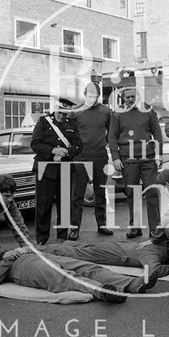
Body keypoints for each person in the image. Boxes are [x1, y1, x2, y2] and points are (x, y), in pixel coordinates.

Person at [0, 247, 157, 303]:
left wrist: (23, 249)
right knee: (62, 276)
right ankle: (103, 291)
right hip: (24, 268)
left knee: (86, 267)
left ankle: (131, 284)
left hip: (36, 256)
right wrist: (6, 258)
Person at [108, 87, 163, 239]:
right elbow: (112, 137)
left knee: (152, 193)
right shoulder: (117, 113)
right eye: (128, 97)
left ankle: (155, 230)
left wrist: (159, 155)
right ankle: (135, 228)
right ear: (123, 99)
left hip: (148, 159)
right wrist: (116, 158)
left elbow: (157, 132)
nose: (131, 100)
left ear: (138, 97)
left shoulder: (148, 111)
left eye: (133, 97)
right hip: (128, 160)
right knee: (132, 194)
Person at [31, 101, 83, 244]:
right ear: (55, 110)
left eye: (65, 113)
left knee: (64, 205)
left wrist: (66, 152)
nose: (62, 116)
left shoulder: (71, 124)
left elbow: (79, 145)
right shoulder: (43, 122)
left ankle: (62, 237)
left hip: (65, 168)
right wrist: (53, 151)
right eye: (59, 112)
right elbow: (35, 143)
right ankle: (41, 239)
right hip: (45, 169)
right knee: (43, 206)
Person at [70, 82, 114, 236]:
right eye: (90, 96)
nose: (92, 99)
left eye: (95, 96)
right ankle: (74, 228)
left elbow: (112, 133)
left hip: (100, 156)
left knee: (100, 193)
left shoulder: (106, 112)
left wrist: (104, 143)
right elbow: (69, 135)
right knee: (77, 194)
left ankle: (102, 225)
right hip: (80, 157)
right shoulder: (75, 112)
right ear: (84, 94)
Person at [39, 239, 169, 279]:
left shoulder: (160, 243)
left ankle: (59, 242)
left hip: (117, 246)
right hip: (111, 252)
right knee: (78, 254)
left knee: (85, 248)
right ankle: (43, 249)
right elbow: (155, 271)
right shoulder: (152, 253)